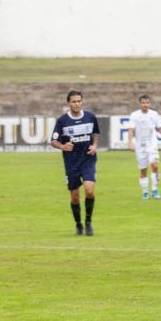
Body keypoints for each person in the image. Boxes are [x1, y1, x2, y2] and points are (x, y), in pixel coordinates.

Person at [50, 90, 99, 236]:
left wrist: (95, 145)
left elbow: (96, 133)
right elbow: (53, 141)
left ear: (82, 101)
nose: (77, 104)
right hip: (71, 163)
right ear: (68, 103)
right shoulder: (62, 121)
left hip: (87, 159)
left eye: (79, 101)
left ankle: (89, 222)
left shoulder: (90, 117)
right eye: (74, 101)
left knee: (89, 190)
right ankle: (78, 224)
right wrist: (62, 146)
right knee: (75, 196)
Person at [127, 95, 161, 200]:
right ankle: (145, 192)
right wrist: (130, 143)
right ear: (140, 104)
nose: (145, 105)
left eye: (147, 103)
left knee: (155, 165)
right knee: (143, 170)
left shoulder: (154, 114)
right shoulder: (134, 115)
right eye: (143, 103)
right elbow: (131, 130)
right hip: (140, 146)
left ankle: (155, 189)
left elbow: (160, 128)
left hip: (152, 145)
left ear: (149, 104)